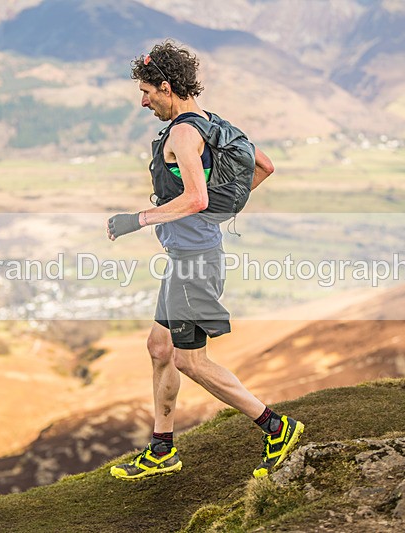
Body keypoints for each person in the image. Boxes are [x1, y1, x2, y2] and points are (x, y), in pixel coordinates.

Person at [105, 41, 304, 481]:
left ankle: (277, 427)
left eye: (147, 92)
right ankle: (162, 450)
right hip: (188, 257)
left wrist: (137, 219)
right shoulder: (212, 124)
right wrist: (220, 211)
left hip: (195, 262)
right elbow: (264, 166)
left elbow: (194, 198)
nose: (143, 102)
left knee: (189, 361)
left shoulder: (181, 132)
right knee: (160, 348)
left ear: (167, 86)